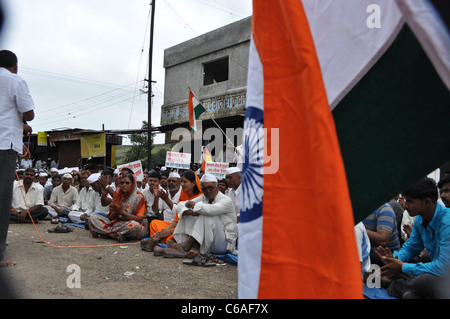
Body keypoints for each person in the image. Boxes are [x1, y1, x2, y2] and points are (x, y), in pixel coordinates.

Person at [376, 177, 450, 299]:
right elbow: (411, 247)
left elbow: (443, 268)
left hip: (445, 273)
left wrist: (401, 267)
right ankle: (409, 290)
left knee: (424, 279)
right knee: (398, 267)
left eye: (409, 201)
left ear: (427, 202)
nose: (404, 205)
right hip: (439, 270)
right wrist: (394, 259)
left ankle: (392, 285)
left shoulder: (447, 222)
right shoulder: (421, 218)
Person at [0, 50, 35, 267]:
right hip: (3, 146)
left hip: (7, 139)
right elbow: (29, 112)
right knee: (3, 200)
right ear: (14, 66)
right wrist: (22, 120)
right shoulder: (14, 80)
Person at [164, 173, 238, 262]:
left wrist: (194, 206)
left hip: (224, 244)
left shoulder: (226, 200)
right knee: (187, 214)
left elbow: (210, 210)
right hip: (208, 242)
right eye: (204, 189)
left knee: (205, 213)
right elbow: (180, 205)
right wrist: (189, 212)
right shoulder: (203, 197)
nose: (207, 191)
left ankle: (187, 245)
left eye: (210, 188)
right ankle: (192, 247)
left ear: (217, 186)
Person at [141, 170, 202, 253]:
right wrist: (165, 230)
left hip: (188, 229)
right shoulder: (182, 194)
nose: (182, 184)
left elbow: (184, 218)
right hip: (173, 225)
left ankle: (160, 239)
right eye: (169, 181)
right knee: (154, 223)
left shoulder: (200, 196)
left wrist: (169, 231)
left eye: (184, 182)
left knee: (177, 232)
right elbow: (177, 218)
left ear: (193, 183)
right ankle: (161, 237)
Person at [88, 173, 148, 242]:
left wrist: (121, 212)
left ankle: (105, 233)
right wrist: (115, 212)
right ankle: (114, 235)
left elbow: (139, 219)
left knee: (133, 225)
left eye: (127, 183)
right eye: (122, 183)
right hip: (118, 223)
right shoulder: (118, 195)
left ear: (133, 184)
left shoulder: (139, 197)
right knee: (92, 218)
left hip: (134, 225)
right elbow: (110, 218)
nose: (124, 185)